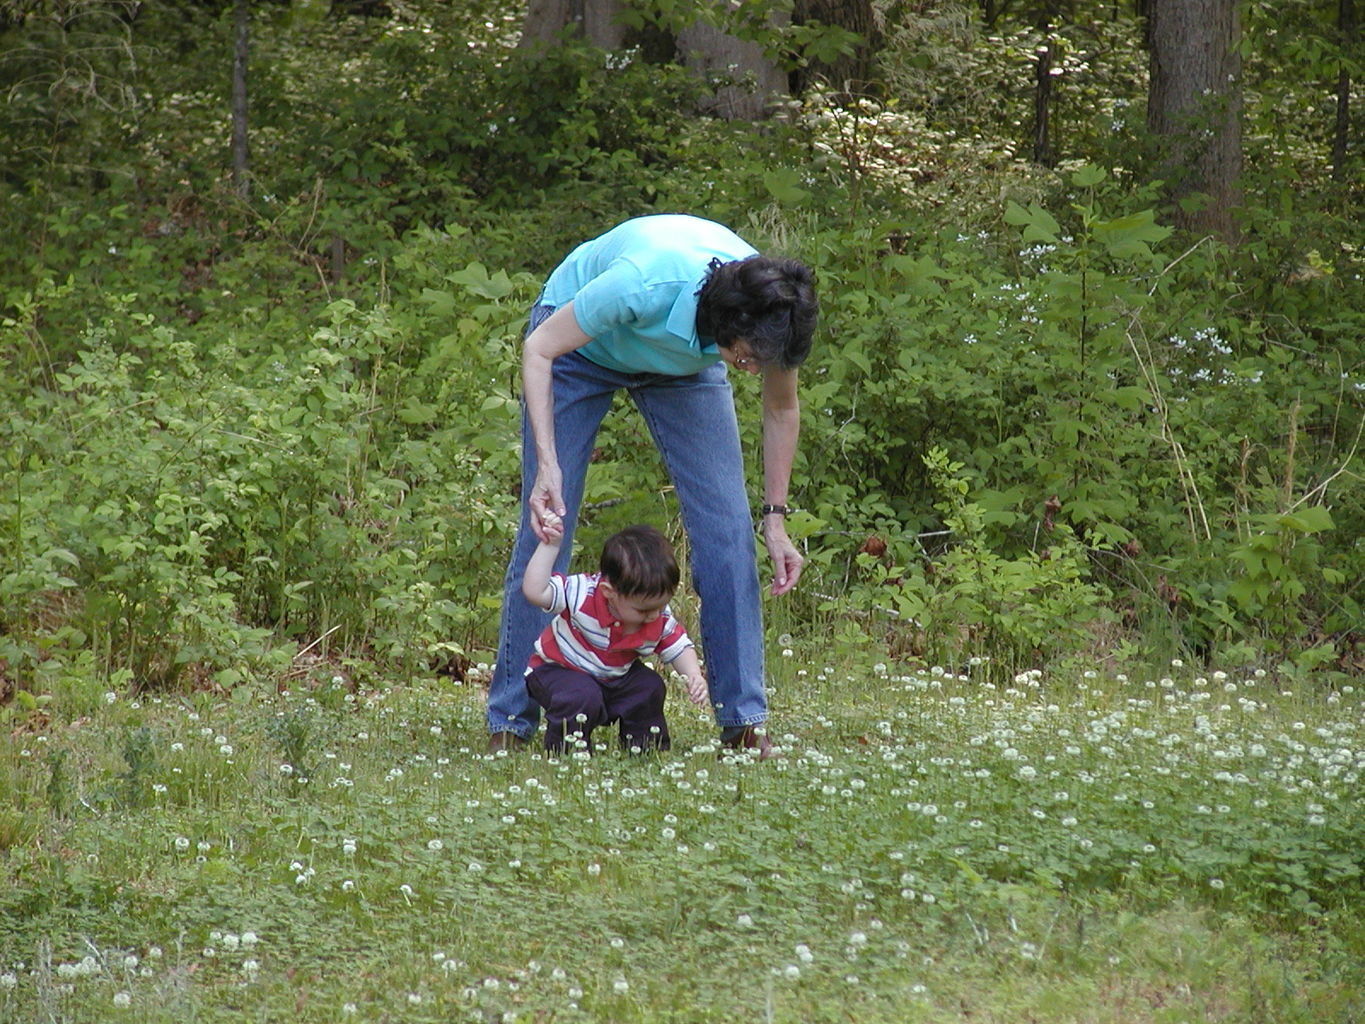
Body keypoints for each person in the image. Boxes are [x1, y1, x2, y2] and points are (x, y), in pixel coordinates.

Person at [486, 214, 818, 758]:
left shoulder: (772, 313)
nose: (754, 370)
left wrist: (775, 520)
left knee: (730, 535)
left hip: (681, 367)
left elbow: (782, 407)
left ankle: (743, 723)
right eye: (747, 359)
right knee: (548, 528)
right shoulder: (644, 281)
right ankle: (511, 720)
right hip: (577, 350)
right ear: (728, 324)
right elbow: (539, 350)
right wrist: (547, 468)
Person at [522, 522, 708, 753]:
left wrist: (693, 674)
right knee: (581, 695)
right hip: (558, 670)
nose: (654, 616)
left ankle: (644, 751)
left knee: (649, 687)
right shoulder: (581, 593)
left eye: (661, 606)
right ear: (609, 592)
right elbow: (534, 592)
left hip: (613, 679)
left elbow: (679, 646)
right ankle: (567, 754)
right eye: (643, 610)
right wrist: (551, 546)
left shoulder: (657, 616)